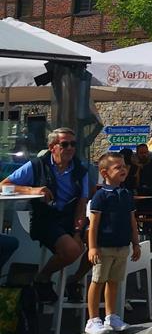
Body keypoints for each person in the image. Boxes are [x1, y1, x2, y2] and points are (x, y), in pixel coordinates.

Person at [0, 128, 89, 303]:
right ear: (52, 147)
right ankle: (42, 278)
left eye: (73, 144)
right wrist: (31, 189)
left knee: (102, 242)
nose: (70, 148)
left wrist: (78, 232)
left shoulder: (81, 170)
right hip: (45, 219)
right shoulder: (36, 165)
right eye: (65, 144)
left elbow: (81, 204)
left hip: (71, 218)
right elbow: (3, 185)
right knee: (72, 250)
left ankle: (74, 280)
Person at [85, 153, 141, 334]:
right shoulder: (100, 196)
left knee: (114, 281)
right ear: (105, 173)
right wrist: (92, 247)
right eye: (117, 167)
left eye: (124, 166)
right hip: (104, 247)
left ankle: (111, 315)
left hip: (122, 246)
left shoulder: (126, 194)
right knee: (98, 281)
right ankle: (93, 319)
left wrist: (136, 243)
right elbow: (94, 225)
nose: (123, 169)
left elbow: (132, 220)